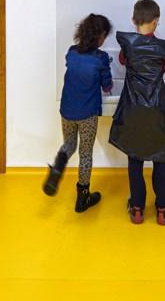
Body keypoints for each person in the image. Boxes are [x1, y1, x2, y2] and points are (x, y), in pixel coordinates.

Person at [109, 0, 165, 225]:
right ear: (156, 21)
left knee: (135, 158)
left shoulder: (126, 46)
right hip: (157, 109)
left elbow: (124, 62)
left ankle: (137, 208)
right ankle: (163, 208)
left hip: (133, 108)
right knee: (161, 158)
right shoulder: (163, 50)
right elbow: (161, 69)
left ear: (133, 20)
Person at [43, 14, 113, 213]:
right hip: (87, 115)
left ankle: (57, 169)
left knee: (69, 144)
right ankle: (83, 197)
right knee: (85, 154)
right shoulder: (100, 59)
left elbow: (76, 70)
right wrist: (106, 78)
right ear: (100, 37)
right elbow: (107, 86)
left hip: (67, 110)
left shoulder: (71, 53)